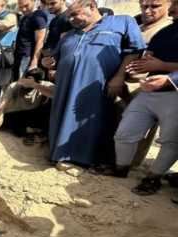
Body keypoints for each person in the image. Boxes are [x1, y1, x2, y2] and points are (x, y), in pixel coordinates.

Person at [45, 0, 145, 169]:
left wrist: (119, 76)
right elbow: (53, 58)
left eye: (75, 14)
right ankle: (59, 154)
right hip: (66, 85)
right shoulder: (69, 34)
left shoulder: (122, 22)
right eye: (69, 16)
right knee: (61, 115)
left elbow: (135, 50)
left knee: (89, 118)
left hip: (95, 84)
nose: (71, 19)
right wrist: (48, 62)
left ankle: (82, 159)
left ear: (91, 6)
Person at [110, 19, 178, 196]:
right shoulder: (165, 31)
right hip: (149, 90)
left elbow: (159, 65)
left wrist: (164, 69)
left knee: (170, 140)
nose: (172, 9)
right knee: (125, 132)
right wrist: (137, 70)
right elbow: (148, 61)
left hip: (174, 93)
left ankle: (153, 178)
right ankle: (121, 169)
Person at [112, 0, 173, 167]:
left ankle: (131, 164)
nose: (147, 11)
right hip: (123, 82)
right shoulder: (137, 24)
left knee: (139, 129)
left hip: (151, 86)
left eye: (154, 6)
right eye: (144, 6)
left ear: (169, 5)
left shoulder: (168, 29)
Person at [0, 68, 55, 141]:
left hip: (33, 113)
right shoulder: (15, 85)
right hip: (16, 113)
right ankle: (31, 131)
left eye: (30, 80)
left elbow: (56, 93)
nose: (25, 83)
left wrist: (34, 85)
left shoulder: (43, 85)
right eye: (26, 78)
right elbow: (4, 102)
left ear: (38, 82)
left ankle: (35, 131)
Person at [13, 0, 48, 80]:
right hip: (19, 56)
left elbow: (40, 40)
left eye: (26, 6)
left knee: (22, 86)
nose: (23, 9)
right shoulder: (25, 17)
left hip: (27, 57)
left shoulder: (38, 16)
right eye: (21, 7)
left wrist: (34, 61)